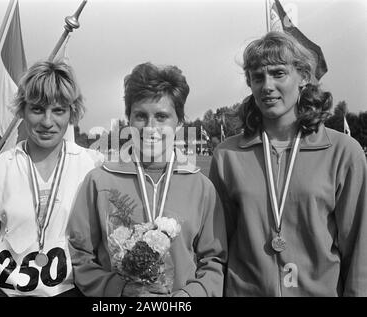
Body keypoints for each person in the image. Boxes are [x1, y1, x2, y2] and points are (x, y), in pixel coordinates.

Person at [209, 31, 367, 296]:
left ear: (303, 77)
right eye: (258, 77)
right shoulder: (227, 155)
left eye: (278, 73)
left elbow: (360, 246)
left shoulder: (343, 152)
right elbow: (217, 247)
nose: (267, 86)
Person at [67, 62, 227, 297]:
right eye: (141, 116)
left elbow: (214, 261)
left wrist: (189, 296)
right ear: (128, 119)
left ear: (179, 122)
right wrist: (119, 290)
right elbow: (79, 255)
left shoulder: (201, 187)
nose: (150, 128)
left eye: (162, 116)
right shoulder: (99, 181)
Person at [0, 60, 102, 297]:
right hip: (7, 291)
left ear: (72, 112)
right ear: (22, 110)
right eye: (38, 109)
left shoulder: (94, 166)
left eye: (58, 110)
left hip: (73, 291)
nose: (47, 122)